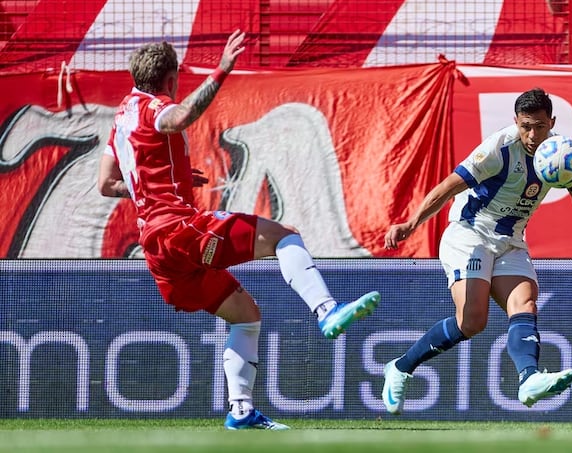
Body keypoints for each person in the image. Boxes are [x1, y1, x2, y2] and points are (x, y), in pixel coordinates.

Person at [98, 30, 380, 430]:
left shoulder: (121, 116)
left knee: (246, 316)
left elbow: (106, 184)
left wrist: (168, 178)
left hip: (157, 250)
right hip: (179, 229)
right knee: (285, 234)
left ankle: (241, 412)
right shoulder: (153, 107)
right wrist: (221, 71)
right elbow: (180, 118)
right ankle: (326, 310)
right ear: (171, 78)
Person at [381, 88, 572, 414]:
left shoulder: (559, 152)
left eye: (539, 126)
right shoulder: (498, 149)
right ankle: (400, 368)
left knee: (524, 303)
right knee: (471, 322)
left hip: (510, 240)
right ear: (516, 121)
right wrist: (411, 223)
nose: (532, 134)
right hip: (470, 236)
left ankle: (528, 379)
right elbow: (448, 187)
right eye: (526, 125)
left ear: (551, 122)